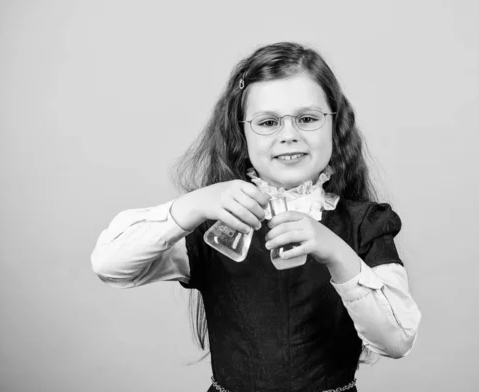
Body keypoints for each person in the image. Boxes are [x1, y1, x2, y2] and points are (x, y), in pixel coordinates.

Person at [91, 41, 422, 392]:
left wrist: (336, 252)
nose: (289, 135)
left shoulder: (365, 223)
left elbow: (396, 341)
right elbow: (111, 266)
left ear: (335, 127)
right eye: (268, 122)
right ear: (241, 133)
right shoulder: (211, 223)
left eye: (307, 119)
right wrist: (194, 205)